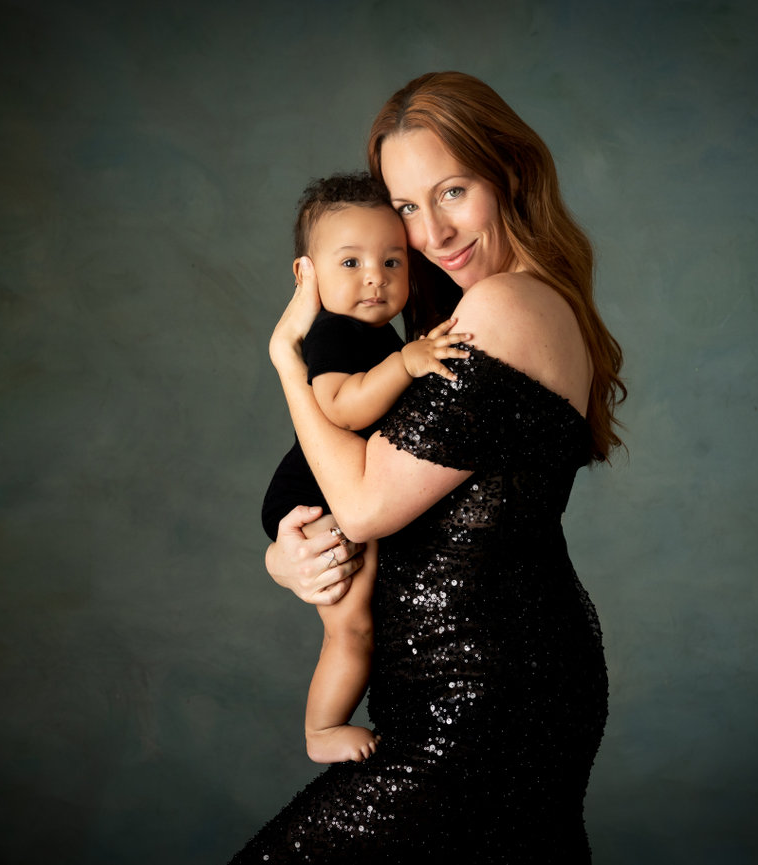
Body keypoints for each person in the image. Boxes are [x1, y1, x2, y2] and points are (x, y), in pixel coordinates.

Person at [230, 70, 625, 864]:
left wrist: (284, 360)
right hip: (480, 686)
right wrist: (289, 555)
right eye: (408, 207)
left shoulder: (505, 307)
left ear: (508, 172)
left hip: (483, 698)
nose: (433, 233)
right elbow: (363, 490)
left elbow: (369, 503)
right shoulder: (465, 314)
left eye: (452, 191)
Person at [261, 172, 471, 764]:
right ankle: (320, 731)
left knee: (365, 625)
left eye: (392, 261)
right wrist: (406, 364)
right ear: (307, 276)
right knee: (349, 628)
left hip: (334, 490)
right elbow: (338, 406)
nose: (375, 276)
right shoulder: (334, 335)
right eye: (350, 263)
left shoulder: (378, 336)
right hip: (314, 497)